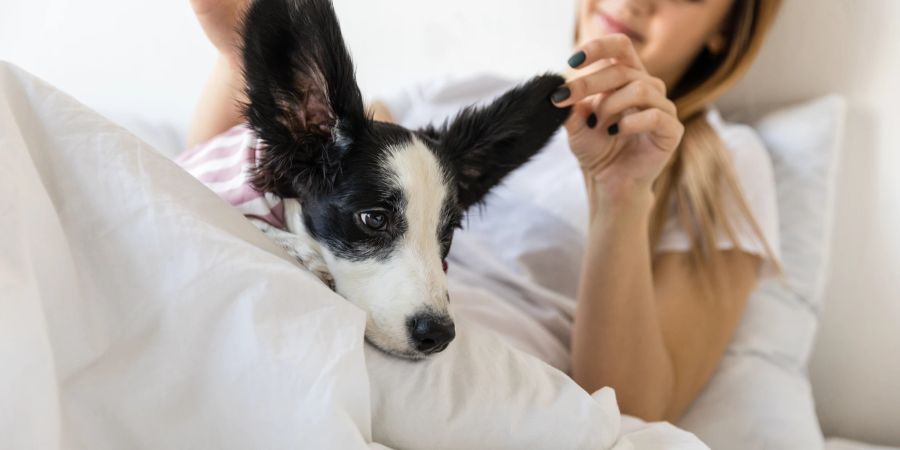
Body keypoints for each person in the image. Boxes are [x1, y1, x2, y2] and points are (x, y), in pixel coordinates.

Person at [187, 0, 782, 423]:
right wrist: (235, 44)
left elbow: (635, 413)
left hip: (472, 381)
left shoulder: (723, 162)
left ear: (725, 30)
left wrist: (621, 195)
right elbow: (226, 180)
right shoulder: (457, 93)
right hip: (312, 305)